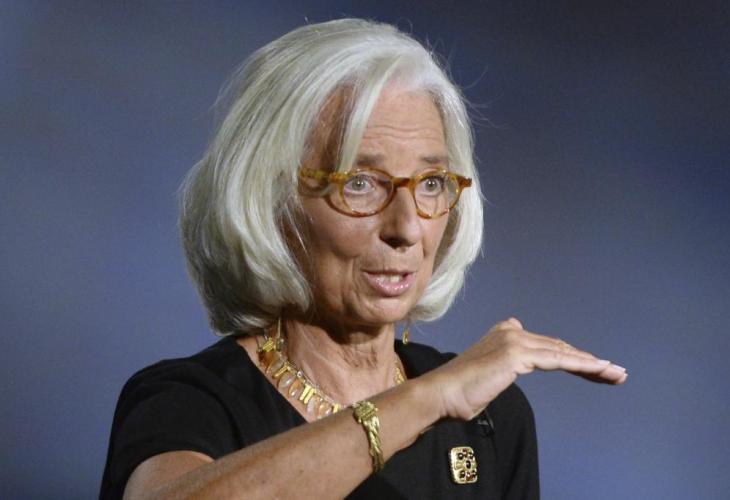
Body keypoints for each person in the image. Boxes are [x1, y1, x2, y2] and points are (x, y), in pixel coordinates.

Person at [100, 18, 627, 499]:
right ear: (271, 199)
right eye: (359, 183)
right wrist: (426, 399)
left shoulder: (491, 420)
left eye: (431, 183)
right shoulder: (190, 401)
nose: (407, 228)